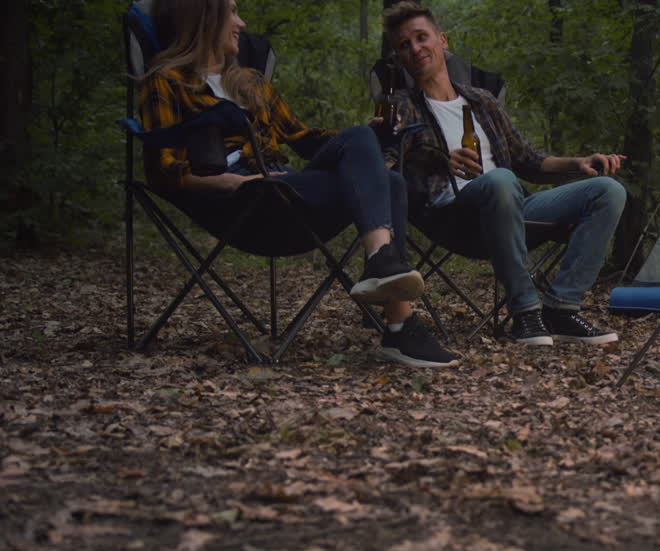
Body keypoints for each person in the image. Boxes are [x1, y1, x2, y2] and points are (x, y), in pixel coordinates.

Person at [140, 0, 458, 368]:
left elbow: (302, 137)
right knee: (386, 178)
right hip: (242, 199)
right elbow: (162, 171)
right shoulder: (166, 81)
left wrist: (362, 142)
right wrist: (229, 183)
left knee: (384, 172)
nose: (241, 22)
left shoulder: (250, 83)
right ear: (202, 19)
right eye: (231, 11)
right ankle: (398, 316)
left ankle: (392, 299)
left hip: (284, 188)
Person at [382, 1, 625, 346]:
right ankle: (526, 312)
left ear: (442, 41)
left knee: (607, 190)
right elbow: (389, 162)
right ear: (400, 57)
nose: (415, 48)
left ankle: (561, 309)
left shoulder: (482, 101)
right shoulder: (401, 106)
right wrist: (437, 158)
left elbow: (528, 159)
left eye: (421, 37)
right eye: (404, 45)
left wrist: (579, 163)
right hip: (455, 216)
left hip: (511, 205)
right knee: (502, 180)